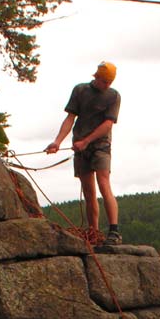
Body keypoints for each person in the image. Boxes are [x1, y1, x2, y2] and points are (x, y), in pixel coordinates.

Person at [46, 61, 122, 245]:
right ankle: (93, 233)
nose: (107, 85)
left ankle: (114, 231)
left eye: (109, 82)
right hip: (80, 147)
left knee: (104, 184)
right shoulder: (80, 91)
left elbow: (108, 124)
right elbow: (70, 118)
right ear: (96, 78)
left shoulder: (113, 96)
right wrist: (57, 142)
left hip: (100, 146)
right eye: (104, 81)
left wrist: (86, 141)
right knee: (88, 191)